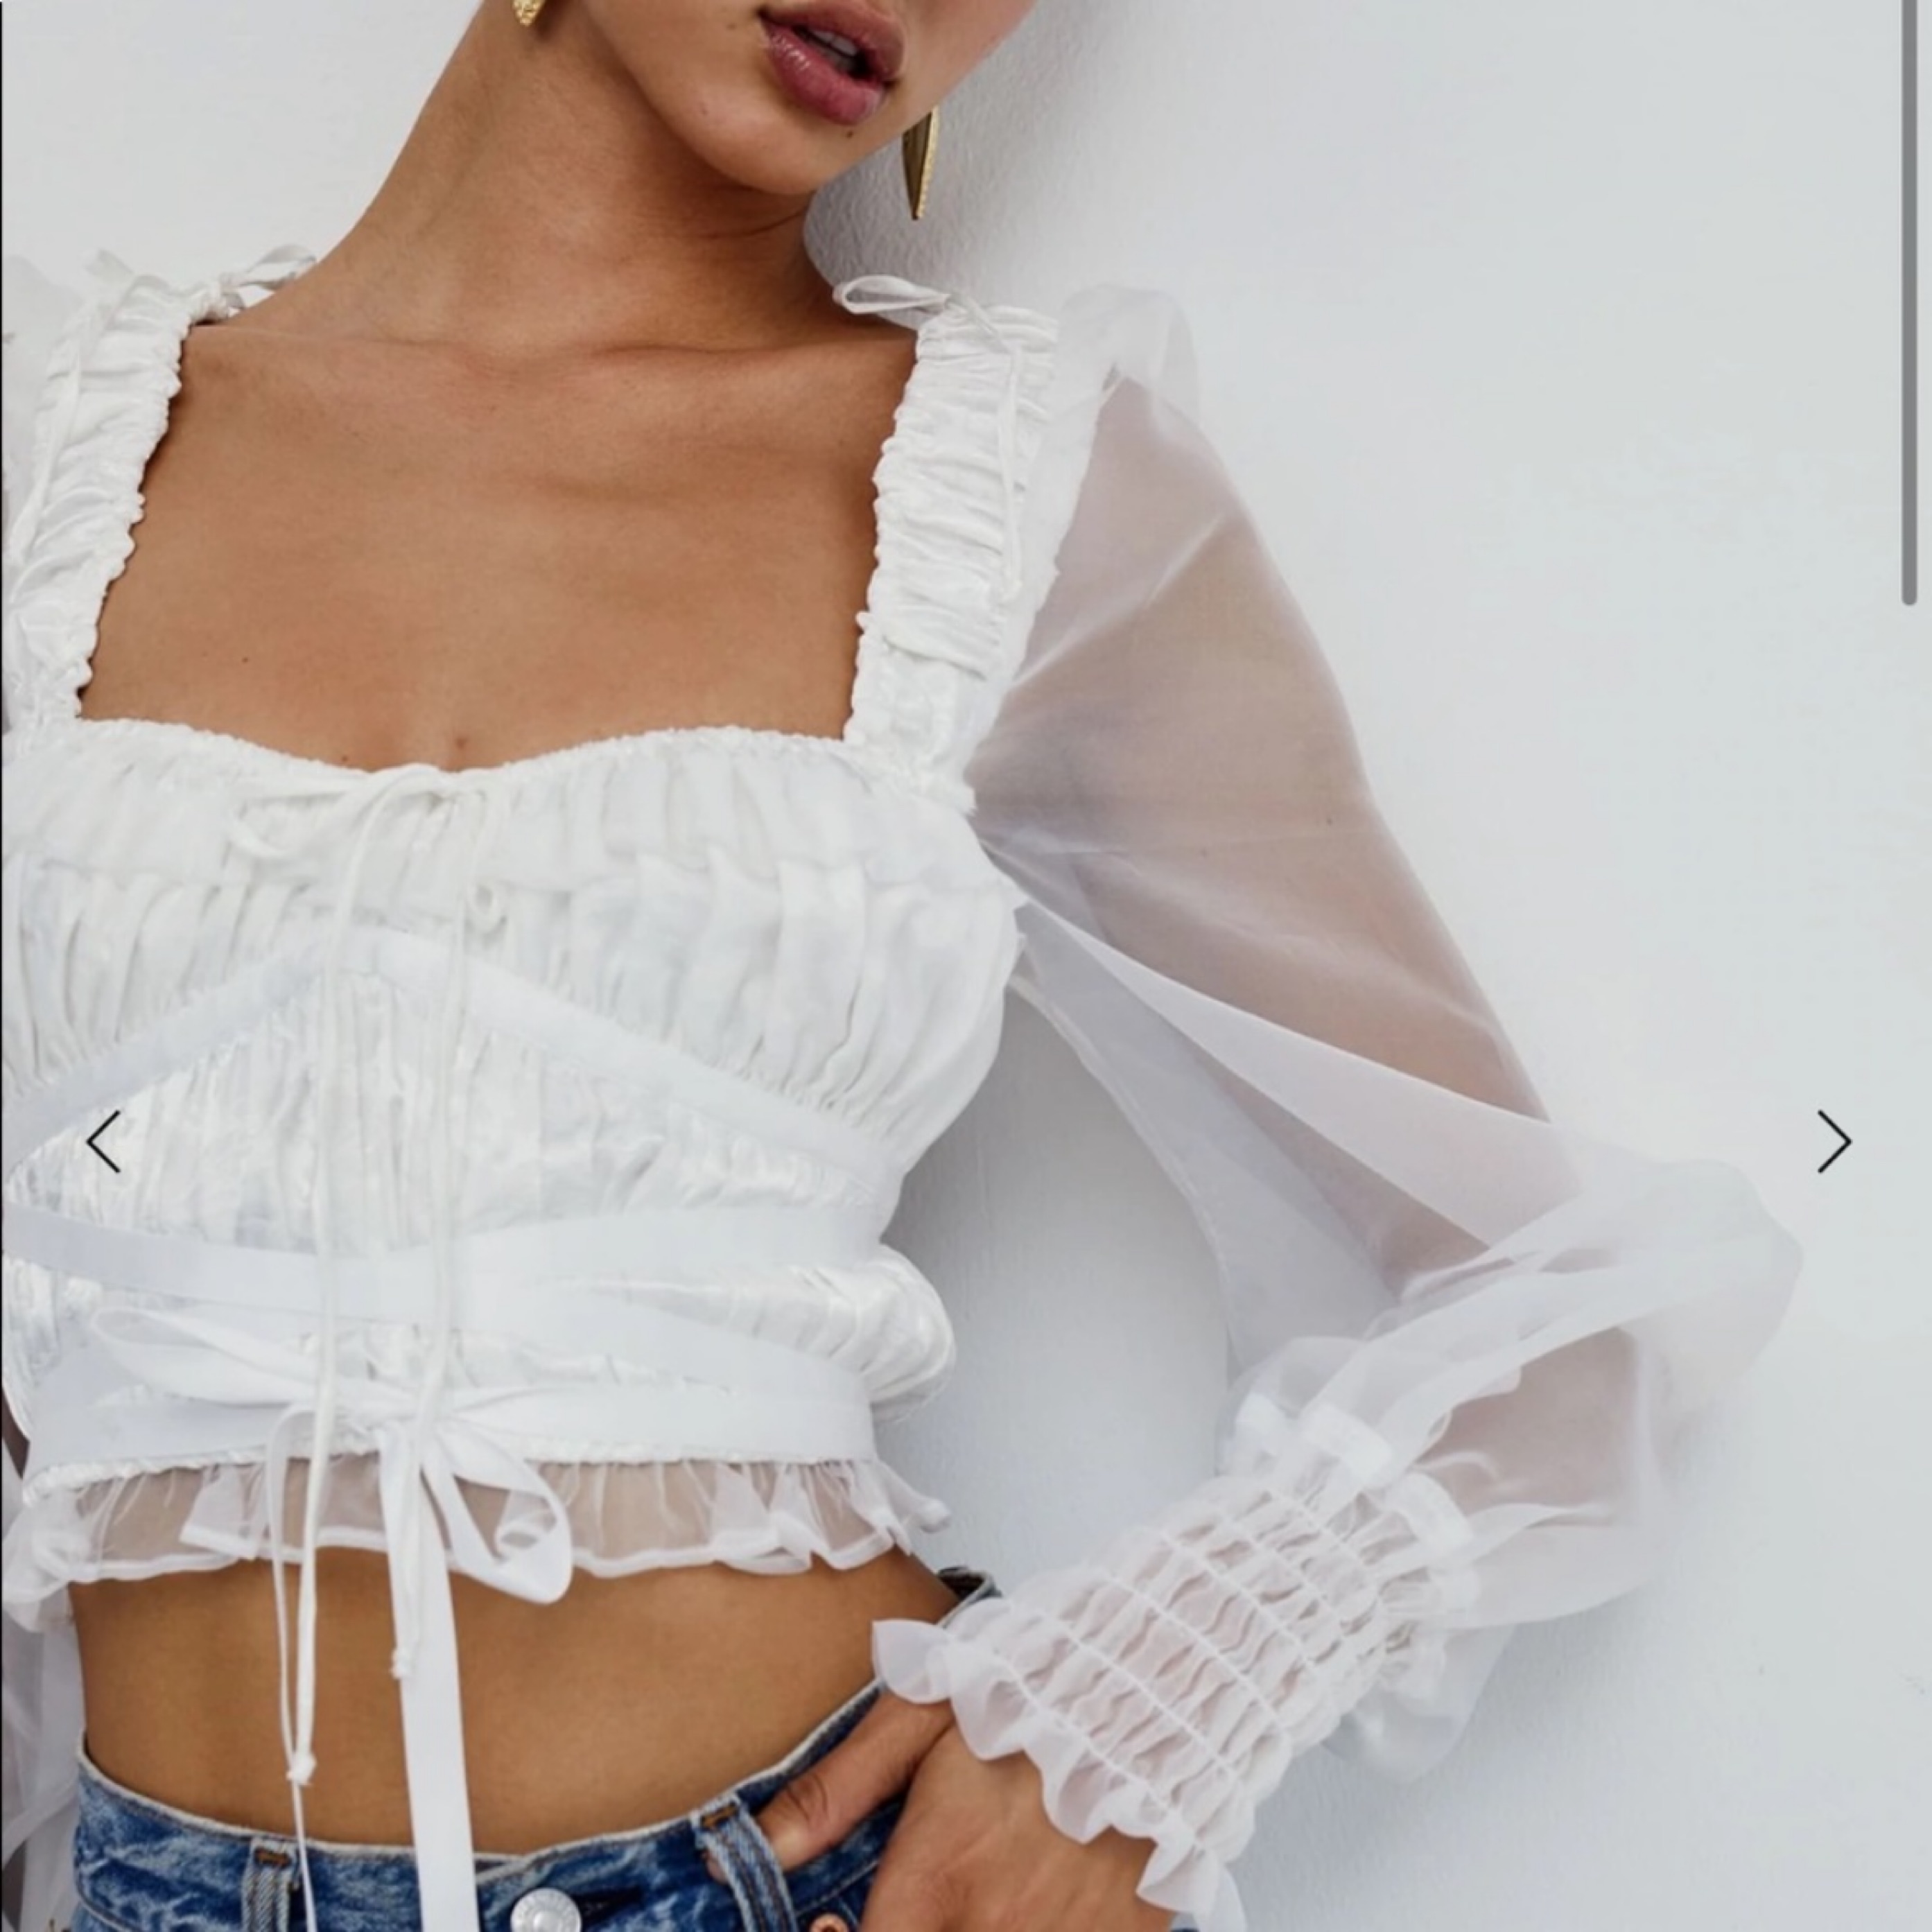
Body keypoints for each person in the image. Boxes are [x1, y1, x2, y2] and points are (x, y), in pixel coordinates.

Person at [0, 3, 1805, 1931]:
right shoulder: (60, 453)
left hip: (811, 1879)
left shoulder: (1013, 493)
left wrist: (1149, 1704)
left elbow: (1555, 1305)